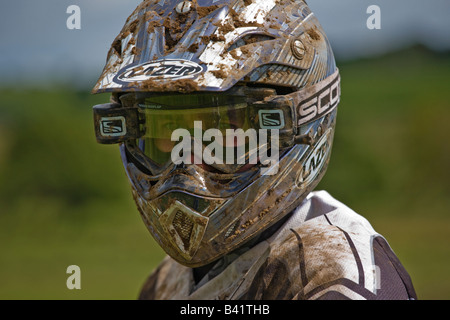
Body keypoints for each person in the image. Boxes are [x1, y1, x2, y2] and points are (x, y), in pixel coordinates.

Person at [92, 0, 417, 300]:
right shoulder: (168, 282)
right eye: (168, 129)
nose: (187, 161)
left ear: (294, 120)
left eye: (223, 130)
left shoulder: (334, 276)